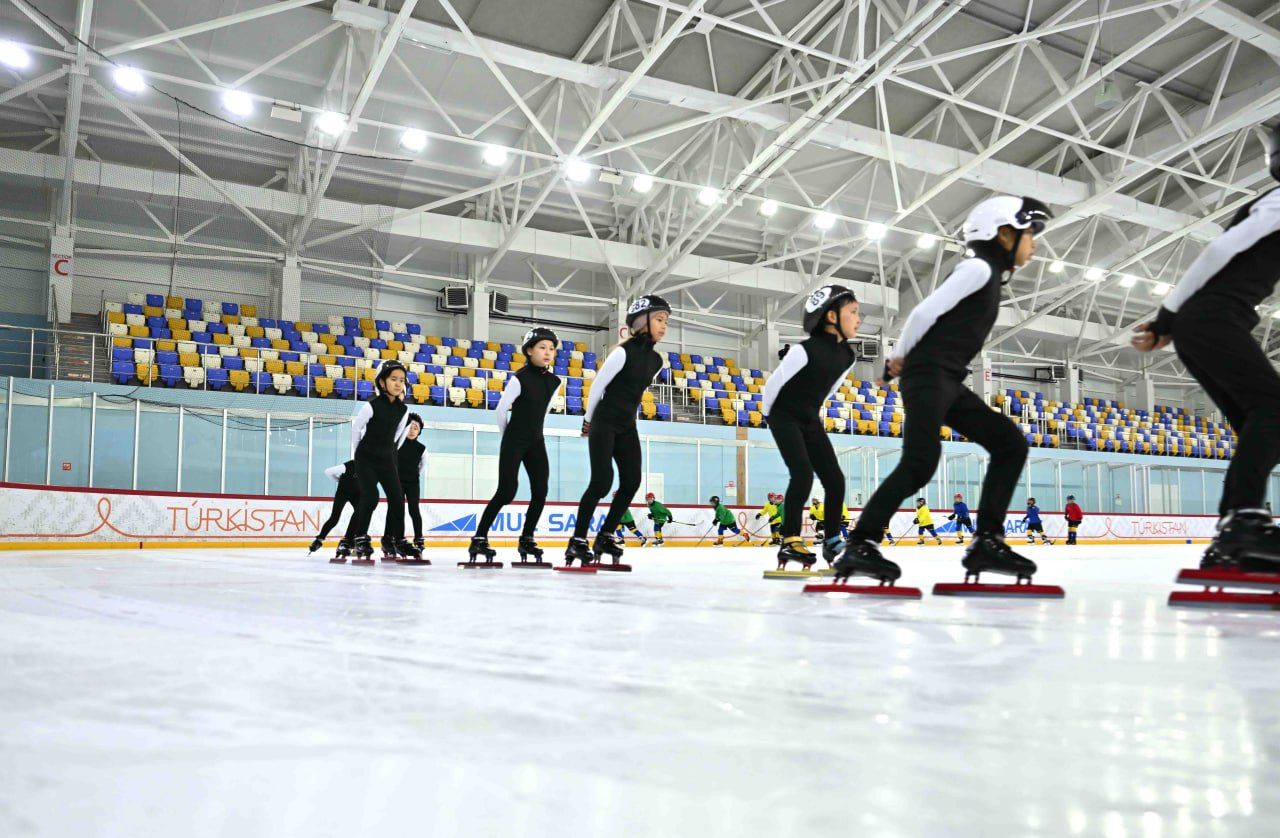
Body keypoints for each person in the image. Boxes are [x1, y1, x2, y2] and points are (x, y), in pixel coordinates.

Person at [837, 196, 1052, 585]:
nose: (1034, 244)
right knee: (920, 463)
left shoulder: (987, 273)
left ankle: (987, 539)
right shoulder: (978, 268)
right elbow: (923, 313)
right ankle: (860, 542)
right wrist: (897, 358)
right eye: (1030, 233)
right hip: (928, 375)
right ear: (1003, 234)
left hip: (947, 380)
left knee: (1010, 444)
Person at [1132, 124, 1280, 571]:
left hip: (1211, 321)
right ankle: (1244, 524)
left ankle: (1234, 534)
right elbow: (1217, 252)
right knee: (1274, 409)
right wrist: (1166, 318)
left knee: (1260, 422)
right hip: (1210, 318)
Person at [565, 296, 669, 566]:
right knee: (601, 482)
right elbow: (598, 386)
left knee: (632, 481)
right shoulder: (623, 352)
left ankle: (605, 535)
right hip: (604, 421)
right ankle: (577, 540)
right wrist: (588, 421)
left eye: (666, 321)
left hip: (627, 425)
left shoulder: (658, 361)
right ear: (640, 322)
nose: (664, 326)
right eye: (659, 319)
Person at [762, 284, 860, 569]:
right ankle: (790, 539)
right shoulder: (803, 351)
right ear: (831, 316)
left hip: (809, 417)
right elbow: (773, 386)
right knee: (802, 474)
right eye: (852, 312)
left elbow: (829, 389)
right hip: (782, 415)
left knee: (835, 479)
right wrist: (773, 417)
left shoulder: (848, 357)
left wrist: (811, 414)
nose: (858, 318)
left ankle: (831, 541)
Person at [470, 327, 561, 565]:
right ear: (529, 350)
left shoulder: (555, 381)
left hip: (536, 441)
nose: (548, 352)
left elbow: (546, 409)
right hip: (514, 440)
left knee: (541, 490)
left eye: (551, 349)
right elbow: (501, 410)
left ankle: (527, 538)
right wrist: (507, 436)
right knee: (507, 491)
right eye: (542, 347)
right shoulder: (519, 378)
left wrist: (533, 433)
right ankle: (479, 537)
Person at [347, 360, 413, 563]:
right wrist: (357, 455)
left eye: (401, 380)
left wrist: (389, 452)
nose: (398, 384)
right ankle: (360, 537)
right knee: (371, 496)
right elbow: (356, 429)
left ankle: (399, 539)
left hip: (386, 459)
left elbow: (398, 436)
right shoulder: (370, 406)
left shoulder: (404, 410)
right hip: (365, 458)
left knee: (397, 498)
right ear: (382, 382)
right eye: (393, 379)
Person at [311, 460, 359, 560]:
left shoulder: (369, 467)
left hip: (357, 494)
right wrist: (337, 479)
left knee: (360, 514)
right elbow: (328, 471)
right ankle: (319, 539)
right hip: (342, 493)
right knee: (334, 518)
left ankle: (349, 540)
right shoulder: (349, 465)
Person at [397, 413, 427, 553]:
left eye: (416, 427)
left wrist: (413, 475)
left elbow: (422, 466)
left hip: (413, 483)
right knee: (397, 510)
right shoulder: (397, 443)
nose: (412, 430)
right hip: (396, 482)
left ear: (419, 431)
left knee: (414, 510)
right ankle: (397, 538)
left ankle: (419, 538)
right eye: (410, 426)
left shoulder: (422, 448)